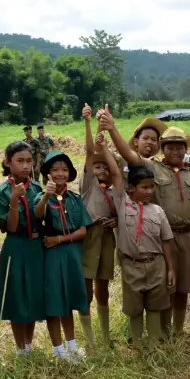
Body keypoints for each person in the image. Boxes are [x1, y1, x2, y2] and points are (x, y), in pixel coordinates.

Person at [102, 114, 190, 340]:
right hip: (161, 237)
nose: (175, 151)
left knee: (183, 287)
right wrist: (112, 129)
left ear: (186, 150)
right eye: (170, 147)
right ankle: (161, 332)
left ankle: (177, 331)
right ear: (162, 149)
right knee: (165, 286)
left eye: (180, 147)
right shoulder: (152, 167)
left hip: (187, 235)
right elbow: (128, 155)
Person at [93, 115, 177, 348]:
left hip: (155, 263)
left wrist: (170, 268)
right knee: (134, 308)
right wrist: (104, 143)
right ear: (131, 188)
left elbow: (167, 241)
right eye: (144, 187)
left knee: (155, 305)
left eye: (151, 188)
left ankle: (154, 344)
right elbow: (116, 173)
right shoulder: (124, 203)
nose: (149, 191)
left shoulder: (157, 209)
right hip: (131, 263)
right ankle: (138, 345)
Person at [36, 149, 91, 362]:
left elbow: (83, 231)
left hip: (71, 254)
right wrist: (46, 196)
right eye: (55, 169)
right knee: (54, 302)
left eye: (64, 169)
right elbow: (37, 215)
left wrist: (59, 239)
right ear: (48, 173)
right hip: (51, 257)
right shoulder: (42, 197)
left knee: (68, 301)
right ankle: (58, 351)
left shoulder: (75, 199)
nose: (60, 173)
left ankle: (72, 347)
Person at [0, 141, 47, 353]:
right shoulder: (1, 192)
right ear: (8, 162)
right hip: (15, 246)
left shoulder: (36, 188)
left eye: (29, 161)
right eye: (20, 161)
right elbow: (11, 227)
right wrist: (14, 200)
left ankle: (29, 344)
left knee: (32, 294)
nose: (25, 166)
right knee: (17, 296)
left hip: (36, 247)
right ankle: (20, 348)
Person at [78, 108, 120, 350]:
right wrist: (88, 123)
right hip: (88, 237)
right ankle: (90, 339)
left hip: (106, 237)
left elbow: (119, 212)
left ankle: (105, 336)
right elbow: (89, 152)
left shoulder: (114, 191)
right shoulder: (88, 184)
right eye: (98, 167)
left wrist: (115, 221)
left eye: (105, 168)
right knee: (86, 288)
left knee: (102, 286)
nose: (102, 170)